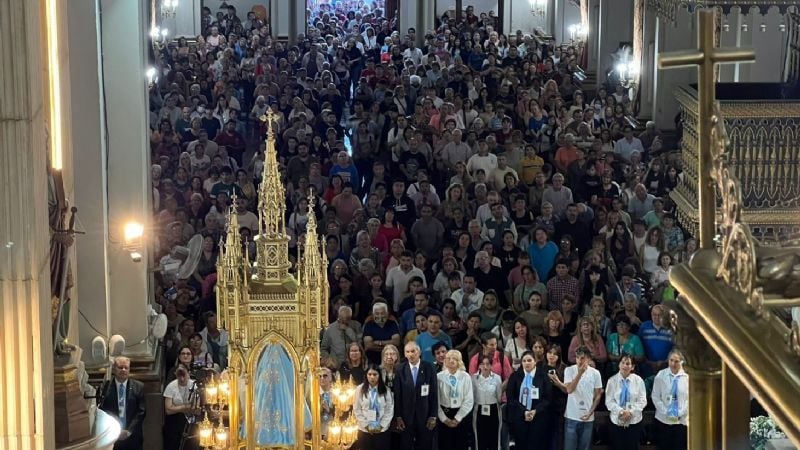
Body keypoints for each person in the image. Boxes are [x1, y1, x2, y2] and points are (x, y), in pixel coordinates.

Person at [551, 346, 604, 450]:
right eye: (577, 357)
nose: (579, 360)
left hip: (588, 418)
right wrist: (579, 373)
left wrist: (591, 411)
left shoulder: (595, 373)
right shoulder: (569, 370)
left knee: (584, 448)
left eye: (582, 358)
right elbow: (569, 390)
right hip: (571, 416)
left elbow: (598, 395)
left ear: (588, 359)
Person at [394, 342, 438, 450]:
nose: (410, 354)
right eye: (407, 352)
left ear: (419, 352)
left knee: (425, 445)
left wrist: (433, 415)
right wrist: (398, 416)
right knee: (406, 445)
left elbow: (433, 393)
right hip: (406, 417)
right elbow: (397, 395)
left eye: (413, 351)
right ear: (404, 354)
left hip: (425, 416)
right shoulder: (400, 369)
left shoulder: (429, 367)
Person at [506, 350, 552, 449]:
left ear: (535, 361)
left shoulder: (543, 376)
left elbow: (547, 398)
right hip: (520, 417)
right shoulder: (515, 376)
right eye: (524, 361)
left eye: (529, 360)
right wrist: (524, 412)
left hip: (538, 418)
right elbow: (510, 398)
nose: (527, 363)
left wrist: (535, 411)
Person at [100, 357, 146, 450]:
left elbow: (141, 411)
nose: (123, 370)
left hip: (133, 435)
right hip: (113, 435)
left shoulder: (138, 386)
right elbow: (103, 409)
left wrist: (129, 430)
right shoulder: (106, 387)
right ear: (114, 369)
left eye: (126, 368)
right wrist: (117, 429)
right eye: (120, 367)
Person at [605, 353, 648, 450]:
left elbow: (642, 400)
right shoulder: (612, 381)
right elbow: (609, 401)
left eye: (628, 363)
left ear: (632, 367)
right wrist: (621, 411)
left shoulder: (639, 380)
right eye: (622, 363)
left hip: (634, 421)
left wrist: (630, 412)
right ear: (619, 364)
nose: (625, 366)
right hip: (617, 420)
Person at [436, 350, 475, 450]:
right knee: (445, 444)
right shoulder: (439, 377)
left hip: (461, 415)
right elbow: (436, 400)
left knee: (461, 444)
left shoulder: (465, 377)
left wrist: (458, 418)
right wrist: (444, 419)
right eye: (448, 358)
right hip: (445, 414)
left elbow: (469, 400)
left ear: (459, 361)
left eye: (454, 358)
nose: (451, 360)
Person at [652, 350, 688, 450]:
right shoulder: (661, 375)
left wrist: (679, 413)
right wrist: (666, 412)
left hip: (681, 421)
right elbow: (655, 396)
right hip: (663, 419)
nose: (673, 364)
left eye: (676, 361)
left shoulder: (687, 377)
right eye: (671, 360)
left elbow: (690, 399)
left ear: (681, 362)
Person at [354, 364, 395, 450]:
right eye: (369, 374)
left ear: (379, 376)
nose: (372, 377)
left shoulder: (386, 390)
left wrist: (381, 426)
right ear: (366, 375)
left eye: (375, 374)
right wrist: (366, 426)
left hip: (381, 430)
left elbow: (389, 409)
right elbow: (357, 409)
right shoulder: (359, 389)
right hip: (364, 430)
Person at [163, 364, 200, 450]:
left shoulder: (194, 386)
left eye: (184, 375)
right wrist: (185, 407)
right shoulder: (171, 386)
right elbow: (168, 410)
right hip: (175, 421)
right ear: (176, 374)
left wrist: (177, 408)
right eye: (179, 376)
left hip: (190, 421)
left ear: (189, 373)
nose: (182, 379)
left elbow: (195, 409)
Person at [472, 354, 503, 450]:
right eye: (482, 364)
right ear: (479, 366)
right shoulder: (473, 378)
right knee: (480, 438)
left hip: (494, 409)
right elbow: (472, 396)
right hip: (479, 410)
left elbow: (499, 396)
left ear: (491, 365)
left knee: (494, 437)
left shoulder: (497, 378)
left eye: (488, 364)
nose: (485, 367)